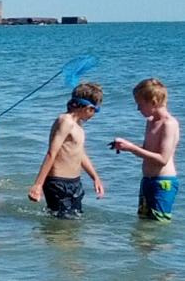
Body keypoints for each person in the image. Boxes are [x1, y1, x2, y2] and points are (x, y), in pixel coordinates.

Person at [27, 83, 105, 218]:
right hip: (58, 183)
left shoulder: (78, 125)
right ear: (86, 107)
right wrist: (38, 185)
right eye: (95, 110)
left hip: (74, 183)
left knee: (73, 224)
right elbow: (52, 153)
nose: (94, 115)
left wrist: (95, 177)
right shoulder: (65, 121)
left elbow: (80, 154)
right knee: (62, 227)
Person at [109, 78, 178, 222]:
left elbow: (162, 159)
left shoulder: (169, 124)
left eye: (140, 104)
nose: (138, 109)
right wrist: (126, 147)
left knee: (157, 226)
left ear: (153, 102)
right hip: (147, 180)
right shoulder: (151, 122)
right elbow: (148, 152)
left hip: (163, 183)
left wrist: (132, 147)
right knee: (143, 226)